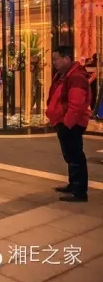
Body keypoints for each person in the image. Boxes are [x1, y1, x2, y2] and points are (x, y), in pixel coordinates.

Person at [46, 46, 90, 202]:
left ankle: (79, 190)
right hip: (64, 121)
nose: (54, 62)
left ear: (66, 59)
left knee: (75, 155)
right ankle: (74, 185)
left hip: (72, 123)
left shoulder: (76, 76)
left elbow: (76, 104)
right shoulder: (64, 74)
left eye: (56, 58)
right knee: (70, 155)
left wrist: (67, 124)